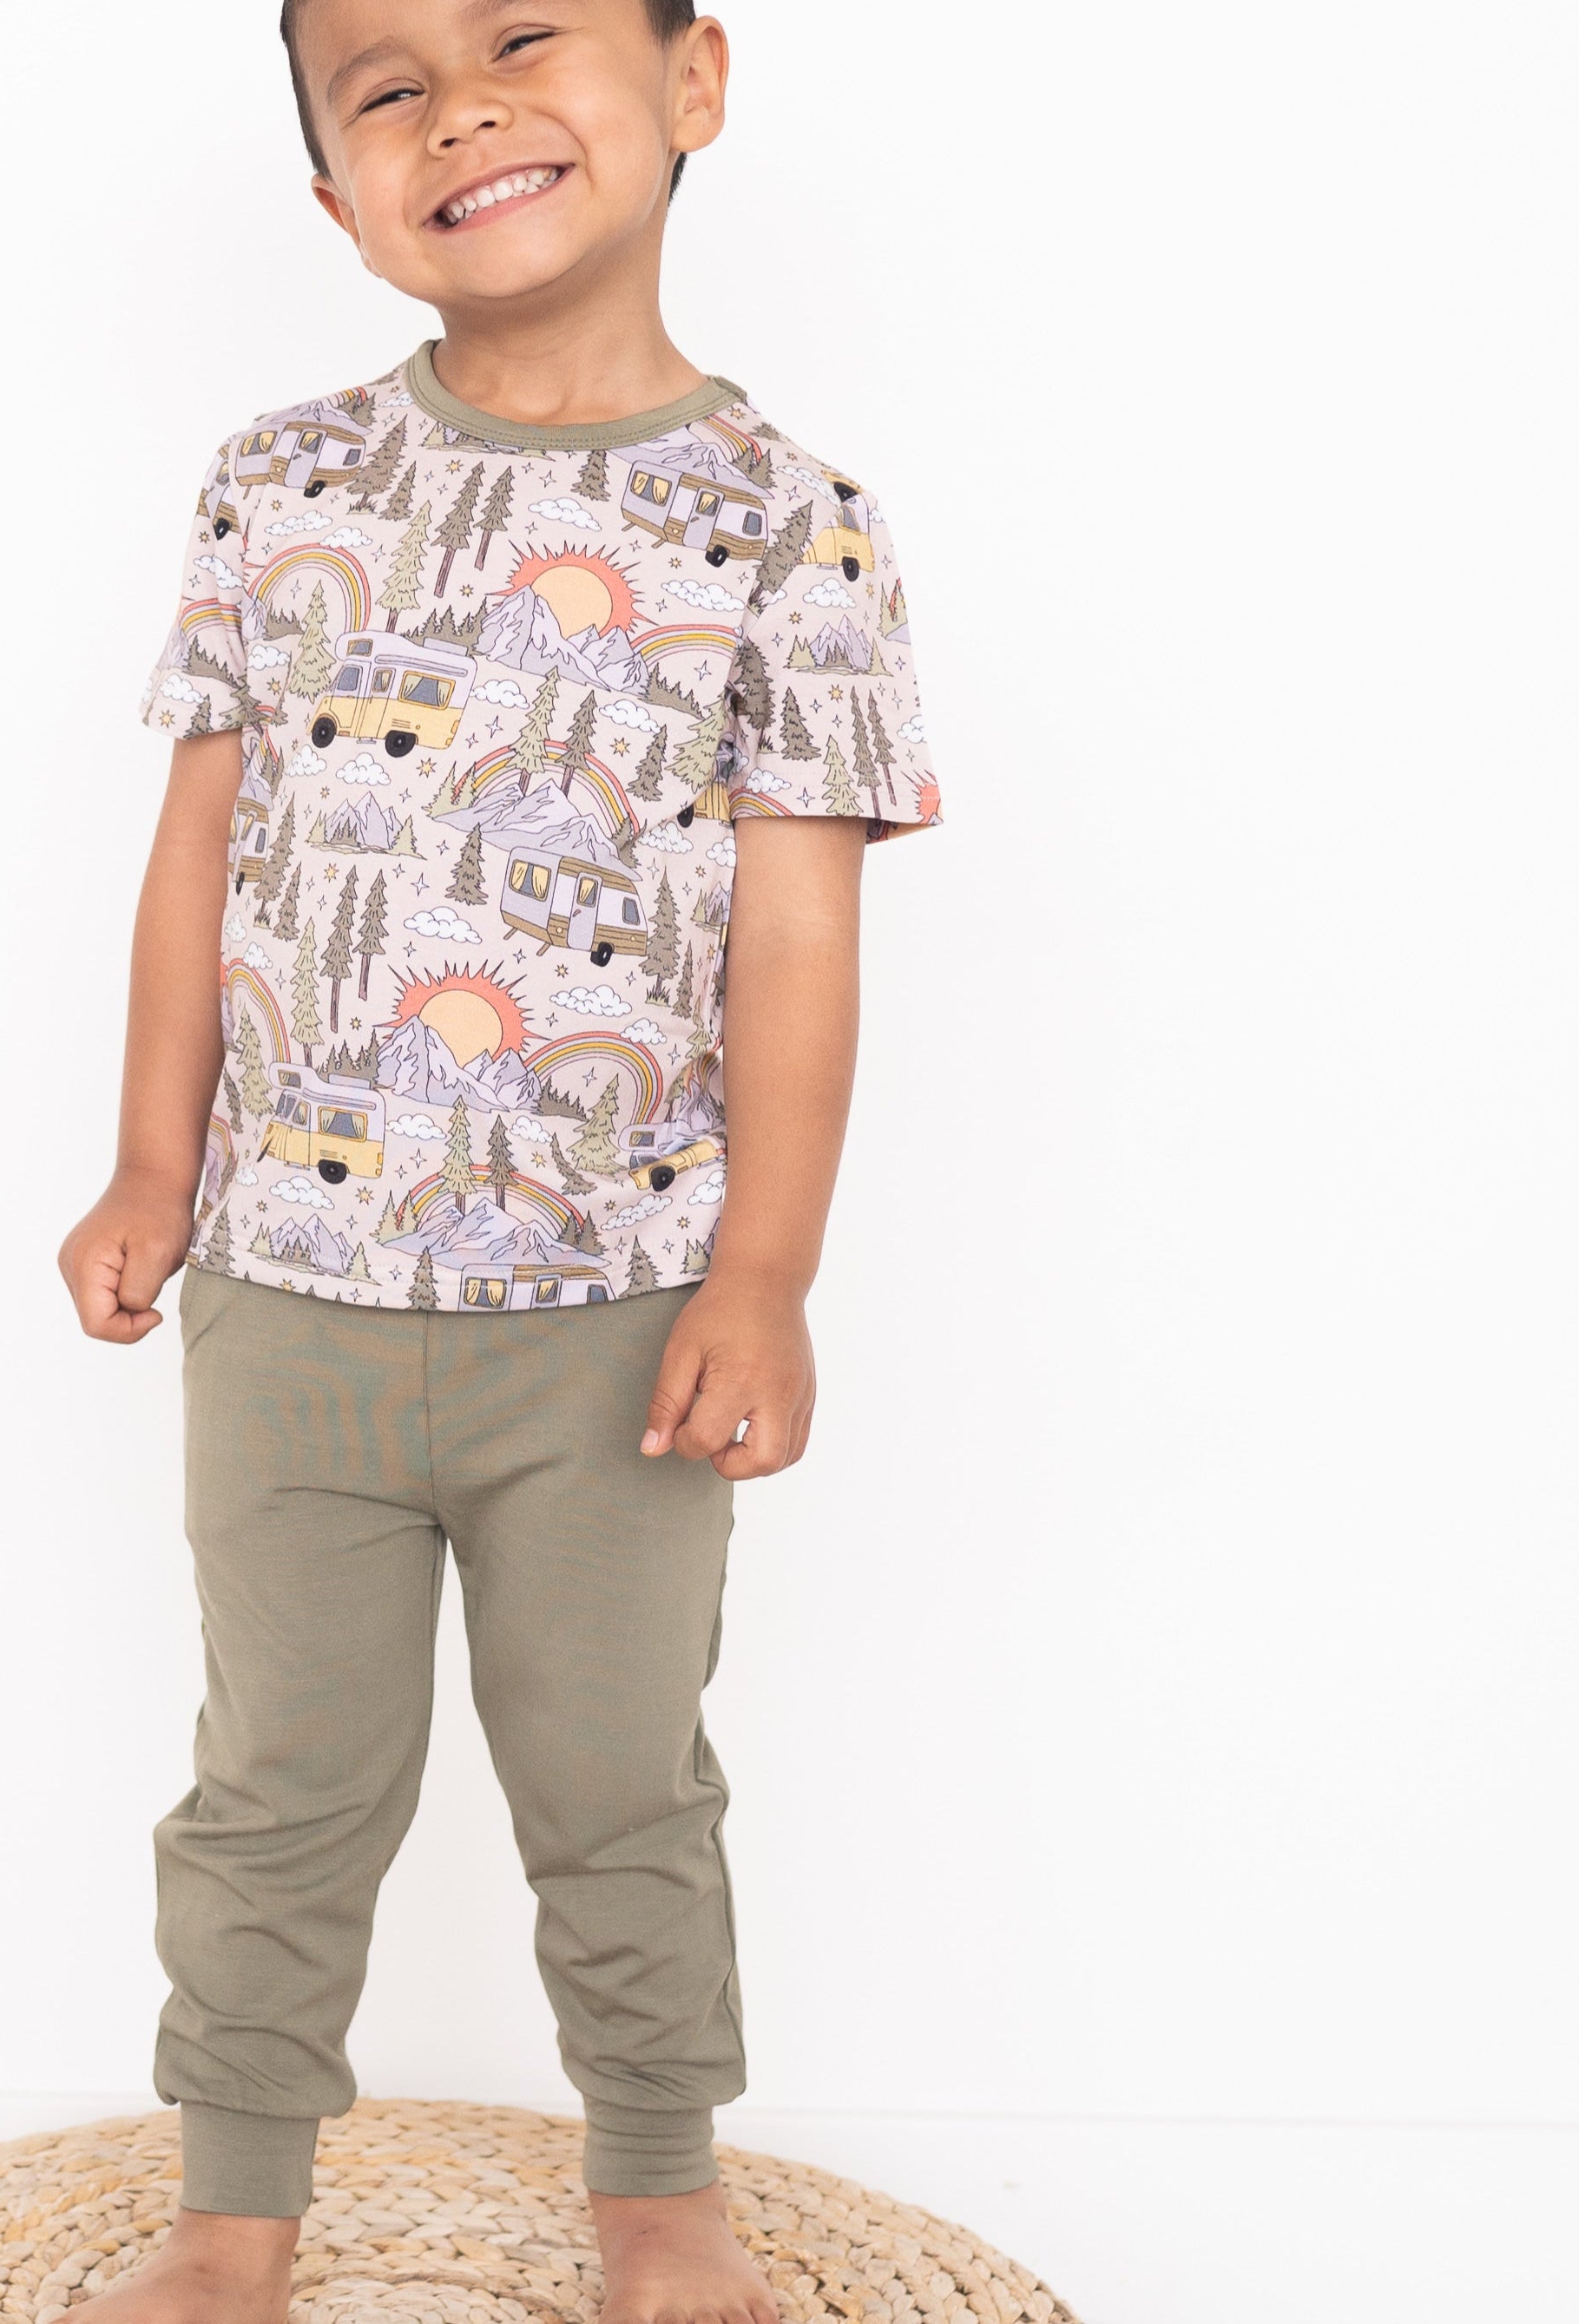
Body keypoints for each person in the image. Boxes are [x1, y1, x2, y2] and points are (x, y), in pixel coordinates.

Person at [59, 5, 941, 2321]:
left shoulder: (791, 524)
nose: (457, 101)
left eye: (523, 33)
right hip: (291, 1307)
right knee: (275, 1789)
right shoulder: (282, 480)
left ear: (697, 80)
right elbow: (202, 847)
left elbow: (799, 933)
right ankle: (231, 2213)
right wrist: (153, 1159)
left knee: (622, 1783)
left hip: (619, 1321)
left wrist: (764, 1271)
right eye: (383, 86)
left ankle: (660, 2188)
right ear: (340, 204)